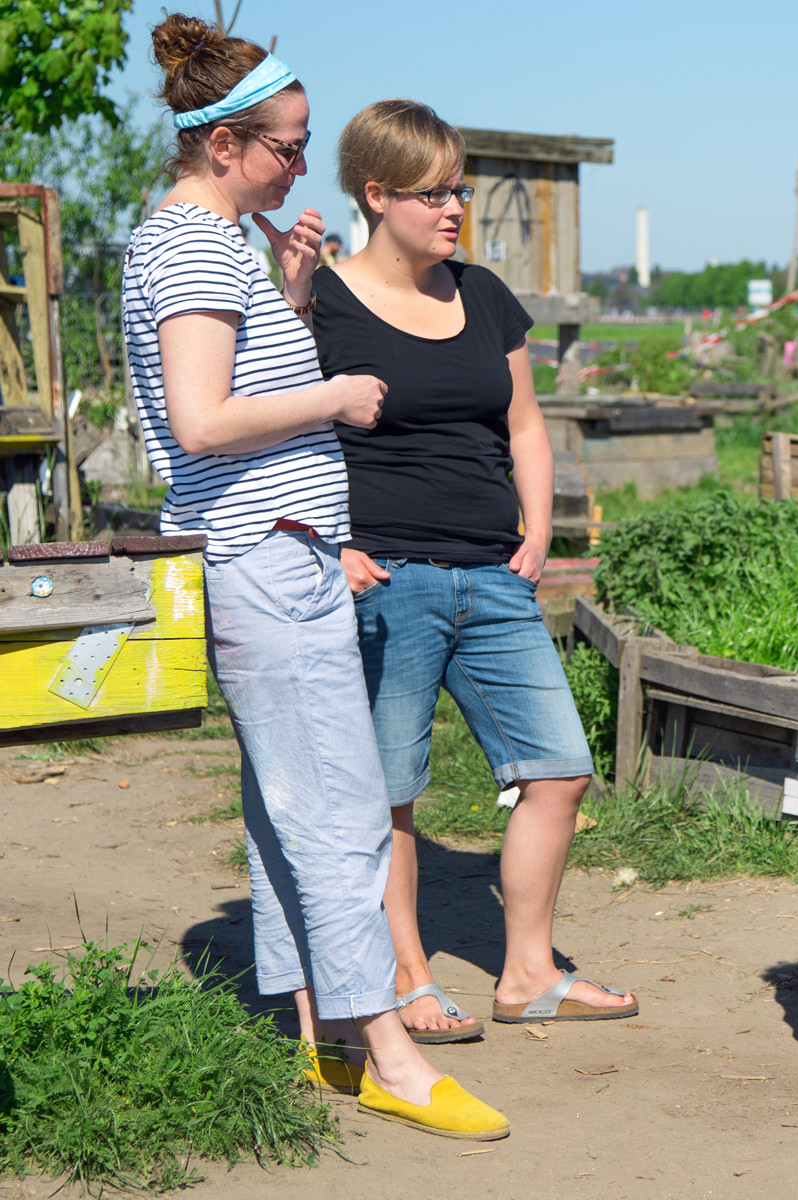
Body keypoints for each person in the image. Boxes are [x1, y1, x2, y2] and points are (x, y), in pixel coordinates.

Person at [124, 15, 506, 1138]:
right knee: (341, 811)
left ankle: (324, 1040)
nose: (302, 168)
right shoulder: (197, 247)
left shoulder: (203, 241)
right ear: (225, 146)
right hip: (264, 557)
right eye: (288, 148)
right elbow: (201, 421)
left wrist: (291, 294)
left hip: (270, 550)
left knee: (290, 811)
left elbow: (230, 393)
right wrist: (336, 396)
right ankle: (390, 1052)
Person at [312, 99, 633, 1040]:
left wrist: (538, 529)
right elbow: (286, 438)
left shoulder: (483, 294)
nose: (456, 208)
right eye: (434, 194)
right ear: (376, 195)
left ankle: (528, 973)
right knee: (390, 793)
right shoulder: (321, 301)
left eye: (460, 189)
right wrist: (334, 545)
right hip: (387, 580)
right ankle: (406, 976)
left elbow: (523, 423)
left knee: (558, 772)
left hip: (494, 577)